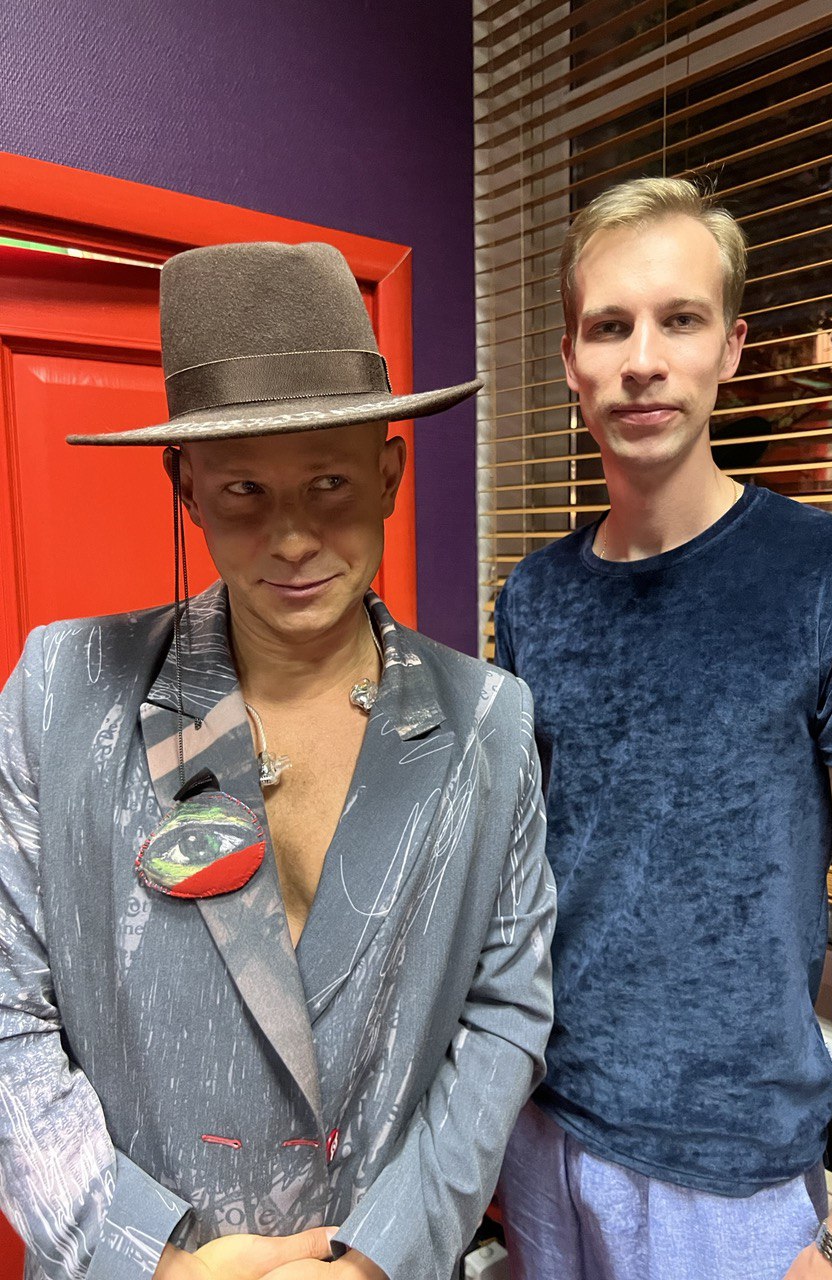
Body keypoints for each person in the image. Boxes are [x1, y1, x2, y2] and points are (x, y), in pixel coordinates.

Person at [0, 241, 555, 1280]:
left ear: (390, 475)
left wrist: (381, 1256)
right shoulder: (62, 694)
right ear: (186, 486)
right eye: (245, 489)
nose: (294, 537)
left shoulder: (488, 722)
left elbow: (506, 1009)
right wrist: (154, 1260)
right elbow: (4, 1012)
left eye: (331, 482)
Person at [494, 177, 832, 1280]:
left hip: (732, 1177)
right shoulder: (534, 598)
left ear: (732, 348)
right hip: (543, 1129)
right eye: (610, 326)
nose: (643, 359)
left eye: (681, 319)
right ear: (571, 360)